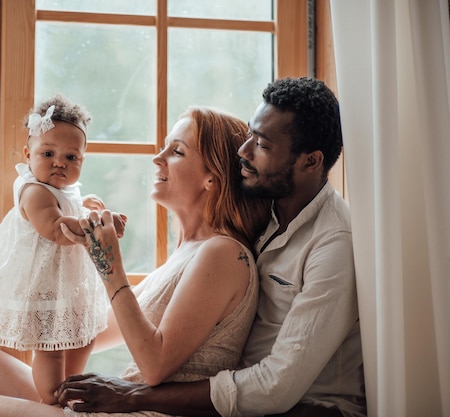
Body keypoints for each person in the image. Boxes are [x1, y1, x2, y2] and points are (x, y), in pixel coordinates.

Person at [0, 106, 272, 417]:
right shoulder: (187, 253)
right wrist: (52, 269)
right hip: (112, 403)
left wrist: (109, 266)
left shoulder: (223, 253)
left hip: (142, 413)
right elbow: (97, 327)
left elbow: (154, 366)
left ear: (212, 177)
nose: (158, 157)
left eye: (177, 151)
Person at [56, 77, 366, 417]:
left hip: (309, 409)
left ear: (311, 161)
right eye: (249, 135)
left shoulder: (334, 243)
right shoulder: (262, 222)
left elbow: (277, 386)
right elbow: (99, 331)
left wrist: (135, 396)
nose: (243, 152)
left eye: (262, 145)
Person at [0, 94, 126, 404]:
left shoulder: (62, 190)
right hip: (42, 285)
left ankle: (71, 385)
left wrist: (85, 206)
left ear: (82, 159)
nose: (59, 162)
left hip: (66, 284)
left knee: (82, 337)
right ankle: (52, 401)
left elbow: (67, 206)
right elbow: (56, 229)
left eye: (71, 157)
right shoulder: (34, 192)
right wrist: (95, 227)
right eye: (48, 153)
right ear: (28, 155)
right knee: (51, 347)